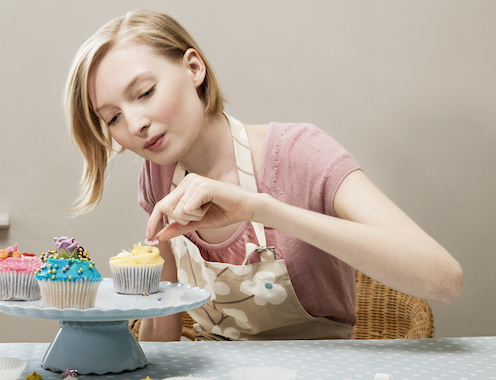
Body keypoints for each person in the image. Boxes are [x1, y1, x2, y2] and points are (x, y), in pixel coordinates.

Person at [63, 9, 462, 341]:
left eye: (145, 92)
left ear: (194, 68)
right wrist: (156, 277)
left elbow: (444, 281)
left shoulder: (300, 153)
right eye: (112, 117)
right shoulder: (159, 176)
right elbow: (164, 342)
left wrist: (261, 208)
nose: (135, 124)